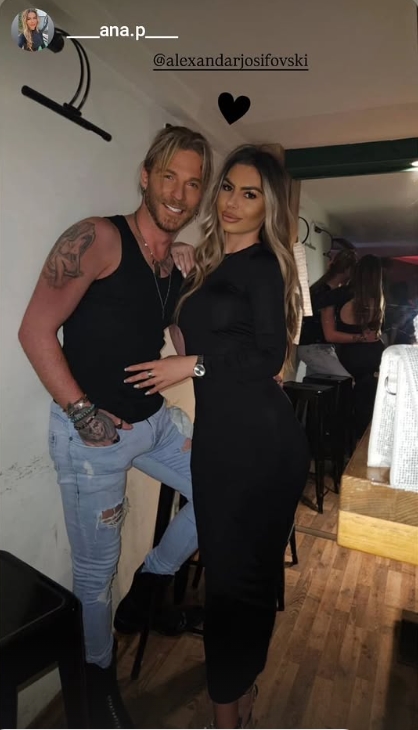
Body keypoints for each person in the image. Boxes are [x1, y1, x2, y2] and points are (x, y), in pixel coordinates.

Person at [18, 125, 213, 728]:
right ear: (146, 176)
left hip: (155, 425)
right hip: (91, 442)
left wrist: (194, 280)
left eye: (192, 184)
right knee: (95, 577)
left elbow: (182, 340)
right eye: (169, 176)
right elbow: (34, 330)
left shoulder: (174, 263)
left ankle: (148, 589)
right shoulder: (99, 238)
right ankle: (97, 684)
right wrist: (85, 415)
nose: (178, 193)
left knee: (223, 488)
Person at [123, 145, 311, 729]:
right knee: (237, 580)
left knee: (238, 584)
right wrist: (186, 270)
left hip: (262, 446)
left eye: (249, 194)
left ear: (268, 205)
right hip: (221, 442)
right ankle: (239, 691)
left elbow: (268, 357)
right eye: (226, 187)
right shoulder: (209, 264)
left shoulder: (265, 265)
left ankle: (228, 710)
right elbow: (188, 339)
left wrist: (193, 365)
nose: (231, 202)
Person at [321, 254, 385, 439]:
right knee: (369, 403)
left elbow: (330, 335)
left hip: (351, 356)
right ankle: (365, 439)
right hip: (374, 356)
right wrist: (364, 338)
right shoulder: (377, 299)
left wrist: (359, 339)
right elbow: (375, 334)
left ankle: (348, 439)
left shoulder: (338, 296)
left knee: (353, 401)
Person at [297, 249, 360, 377]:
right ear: (348, 269)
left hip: (310, 346)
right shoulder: (329, 295)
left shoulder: (320, 289)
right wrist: (360, 337)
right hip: (315, 347)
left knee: (318, 384)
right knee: (346, 381)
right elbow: (330, 335)